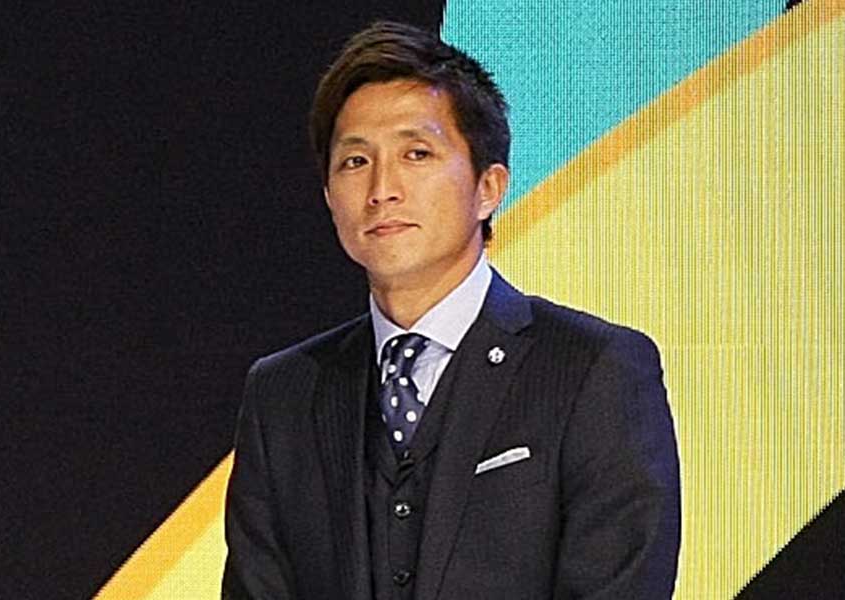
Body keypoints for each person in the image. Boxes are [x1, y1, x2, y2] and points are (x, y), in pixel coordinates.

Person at [222, 21, 680, 599]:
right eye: (355, 161)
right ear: (329, 197)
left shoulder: (595, 370)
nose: (382, 189)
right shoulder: (284, 393)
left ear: (488, 188)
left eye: (416, 153)